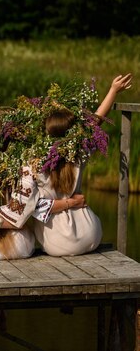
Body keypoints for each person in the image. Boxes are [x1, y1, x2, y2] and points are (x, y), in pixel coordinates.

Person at [33, 74, 132, 256]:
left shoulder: (36, 163)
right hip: (92, 234)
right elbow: (95, 121)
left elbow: (34, 206)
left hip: (59, 242)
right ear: (73, 135)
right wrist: (113, 90)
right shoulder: (77, 154)